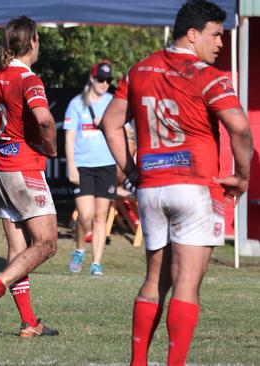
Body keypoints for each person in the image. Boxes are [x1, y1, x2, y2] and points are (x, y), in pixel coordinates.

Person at [101, 1, 253, 364]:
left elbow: (110, 122)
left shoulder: (139, 70)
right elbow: (241, 129)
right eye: (216, 34)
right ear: (193, 34)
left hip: (152, 185)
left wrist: (131, 168)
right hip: (195, 186)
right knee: (187, 281)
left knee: (155, 279)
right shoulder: (208, 76)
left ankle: (138, 361)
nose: (220, 43)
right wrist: (243, 177)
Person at [0, 16, 59, 337]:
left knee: (18, 249)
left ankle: (28, 323)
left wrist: (1, 136)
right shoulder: (30, 80)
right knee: (47, 243)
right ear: (32, 42)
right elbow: (45, 121)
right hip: (24, 169)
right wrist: (50, 148)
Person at [64, 61, 117, 276]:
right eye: (101, 79)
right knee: (85, 216)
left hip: (106, 164)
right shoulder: (77, 103)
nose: (105, 84)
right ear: (92, 78)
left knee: (100, 217)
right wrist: (71, 166)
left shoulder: (113, 102)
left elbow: (123, 131)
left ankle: (96, 263)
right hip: (83, 166)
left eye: (108, 80)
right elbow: (69, 137)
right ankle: (79, 249)